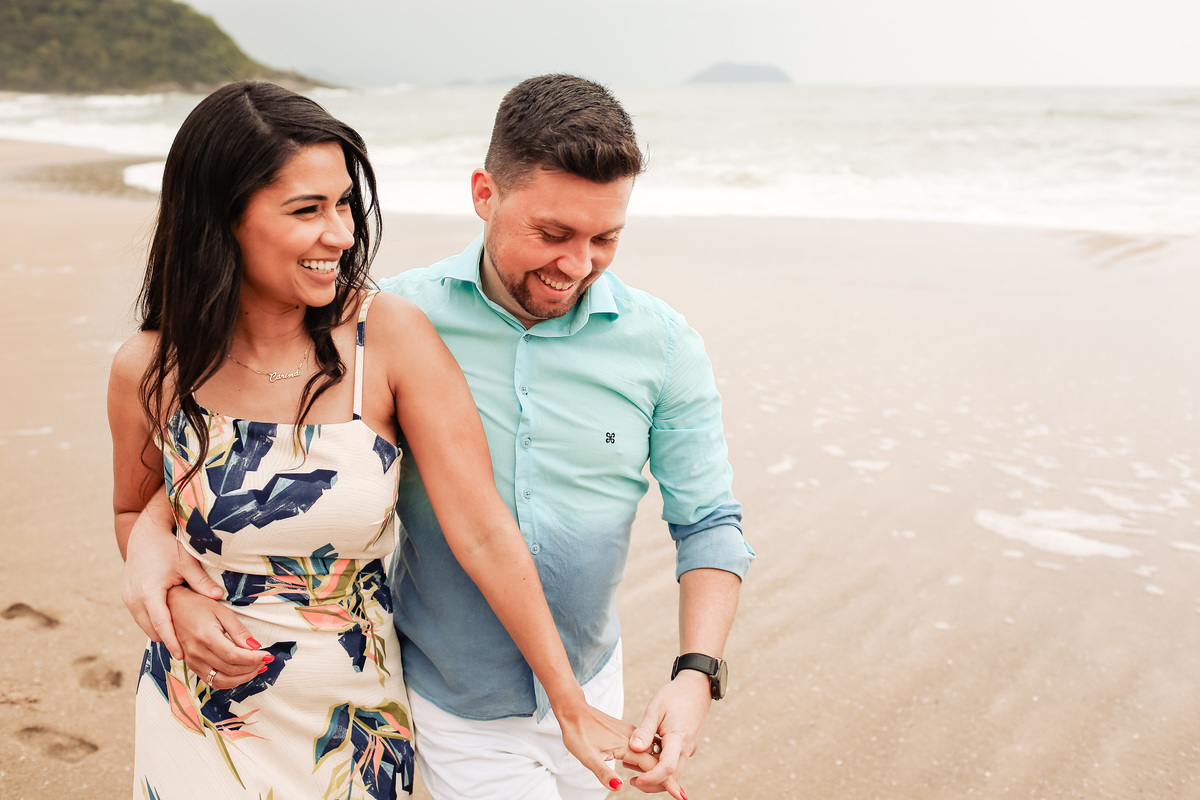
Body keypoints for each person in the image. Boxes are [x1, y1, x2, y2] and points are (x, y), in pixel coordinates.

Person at [125, 74, 753, 800]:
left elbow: (708, 523)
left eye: (605, 238)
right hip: (453, 703)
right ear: (485, 194)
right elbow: (252, 452)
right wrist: (150, 538)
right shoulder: (391, 321)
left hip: (592, 681)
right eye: (552, 235)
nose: (577, 265)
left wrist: (696, 672)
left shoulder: (664, 345)